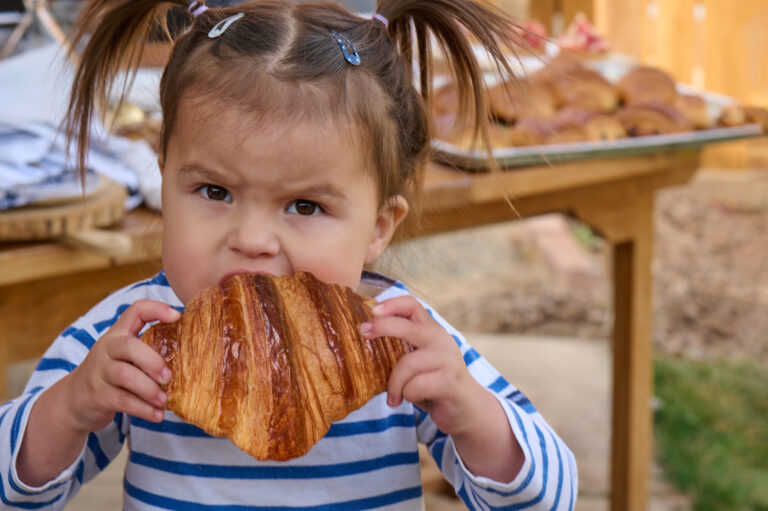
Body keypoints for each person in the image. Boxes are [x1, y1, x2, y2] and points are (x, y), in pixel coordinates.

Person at [0, 0, 578, 508]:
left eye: (304, 206)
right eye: (214, 192)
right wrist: (71, 407)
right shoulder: (132, 335)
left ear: (379, 227)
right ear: (162, 183)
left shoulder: (401, 339)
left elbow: (550, 496)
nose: (252, 240)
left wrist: (471, 412)